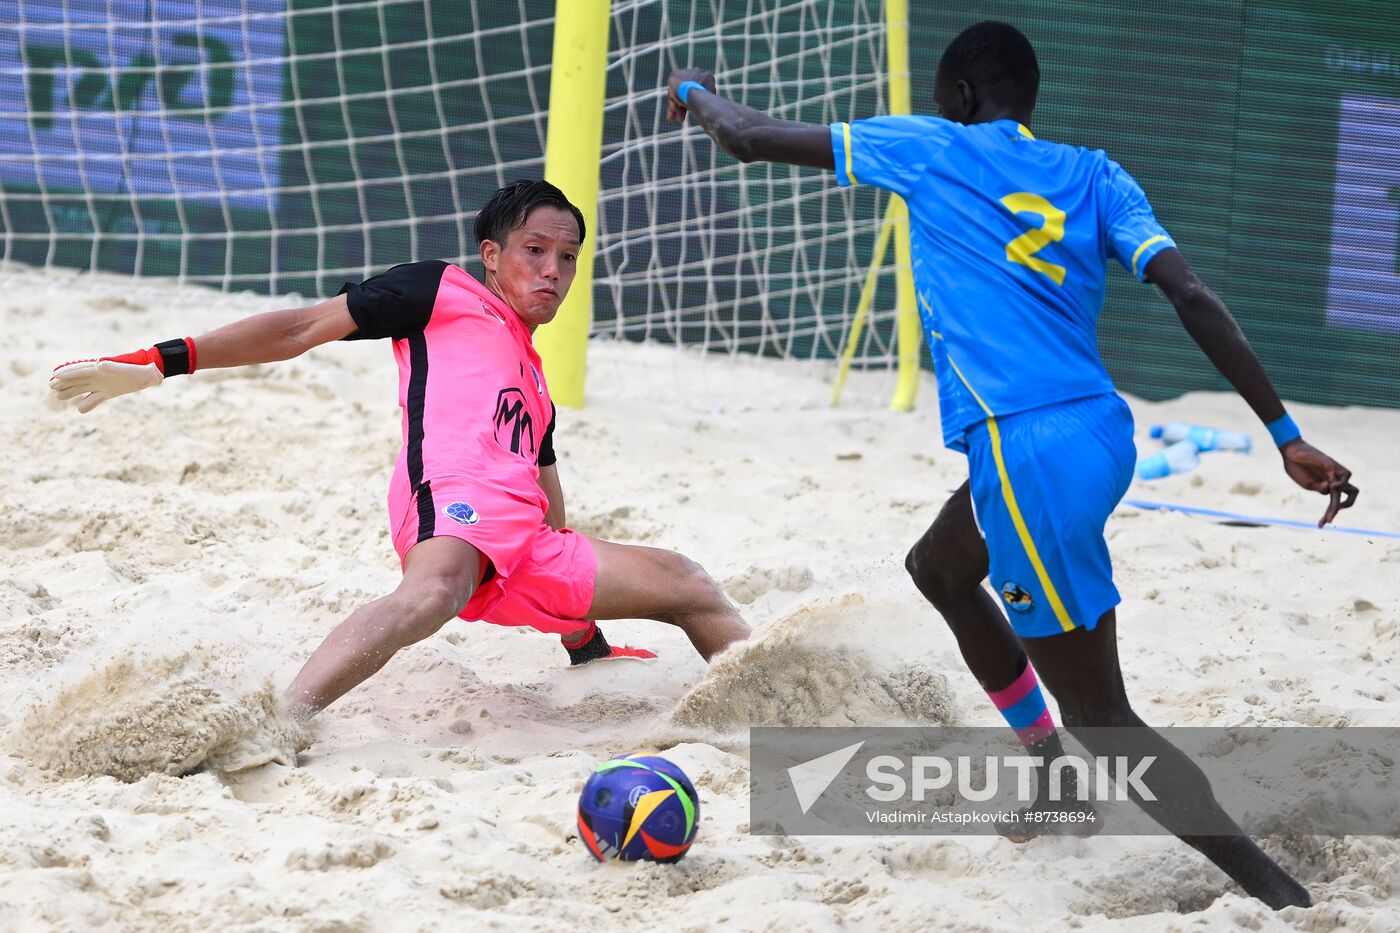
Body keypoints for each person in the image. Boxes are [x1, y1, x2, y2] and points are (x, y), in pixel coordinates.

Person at [664, 21, 1358, 910]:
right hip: (1102, 435)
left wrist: (692, 90)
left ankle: (1284, 897)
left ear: (956, 98)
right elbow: (1190, 291)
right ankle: (1048, 768)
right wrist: (1284, 431)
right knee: (941, 567)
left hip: (1025, 451)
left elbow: (748, 136)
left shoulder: (930, 148)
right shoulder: (1099, 173)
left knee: (1105, 717)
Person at [50, 179, 751, 717]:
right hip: (450, 502)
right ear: (493, 256)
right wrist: (163, 360)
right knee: (435, 591)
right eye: (535, 252)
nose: (553, 272)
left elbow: (552, 511)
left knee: (689, 582)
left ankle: (788, 738)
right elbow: (300, 328)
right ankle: (282, 718)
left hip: (525, 545)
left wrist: (582, 640)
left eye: (567, 258)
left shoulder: (535, 381)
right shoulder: (439, 291)